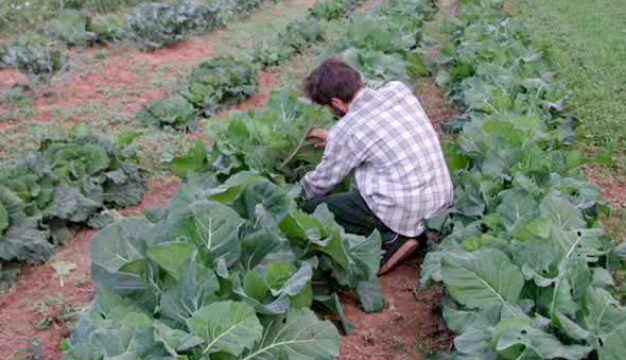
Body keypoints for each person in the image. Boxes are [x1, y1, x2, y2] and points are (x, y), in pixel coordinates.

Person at [300, 57, 453, 275]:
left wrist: (295, 195)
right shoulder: (398, 90)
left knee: (310, 211)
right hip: (439, 201)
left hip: (403, 209)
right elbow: (381, 132)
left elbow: (319, 185)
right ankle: (417, 232)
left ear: (335, 103)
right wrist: (336, 139)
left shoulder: (347, 130)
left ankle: (393, 238)